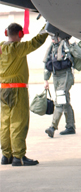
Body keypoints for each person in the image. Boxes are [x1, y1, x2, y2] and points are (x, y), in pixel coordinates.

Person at [1, 23, 48, 166]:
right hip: (17, 90)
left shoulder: (1, 47)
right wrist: (47, 27)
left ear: (6, 33)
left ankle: (6, 155)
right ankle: (18, 157)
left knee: (5, 123)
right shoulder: (18, 48)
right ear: (20, 34)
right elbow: (37, 41)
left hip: (3, 89)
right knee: (18, 122)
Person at [44, 36, 76, 138]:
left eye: (54, 36)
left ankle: (52, 127)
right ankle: (70, 126)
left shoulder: (65, 45)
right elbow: (47, 64)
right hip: (56, 77)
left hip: (65, 76)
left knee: (60, 102)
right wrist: (46, 80)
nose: (52, 38)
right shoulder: (52, 48)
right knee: (65, 101)